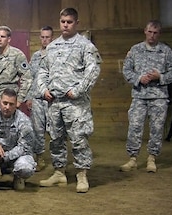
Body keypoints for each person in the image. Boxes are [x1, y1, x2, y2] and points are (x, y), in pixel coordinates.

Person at [38, 8, 102, 193]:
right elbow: (43, 71)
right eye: (63, 21)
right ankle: (59, 173)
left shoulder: (85, 45)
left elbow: (93, 71)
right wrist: (43, 89)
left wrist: (78, 91)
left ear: (76, 23)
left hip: (75, 103)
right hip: (54, 102)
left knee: (78, 139)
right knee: (56, 139)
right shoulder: (52, 46)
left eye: (69, 22)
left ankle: (81, 174)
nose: (65, 25)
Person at [120, 20, 172, 173]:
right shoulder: (135, 50)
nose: (152, 35)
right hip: (139, 96)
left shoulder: (166, 51)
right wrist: (139, 78)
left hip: (159, 97)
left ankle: (152, 158)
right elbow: (126, 71)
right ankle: (132, 159)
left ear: (159, 34)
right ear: (145, 31)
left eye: (155, 33)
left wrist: (160, 77)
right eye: (150, 32)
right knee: (134, 127)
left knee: (157, 128)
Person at [26, 26, 54, 172]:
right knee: (37, 129)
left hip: (52, 99)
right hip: (37, 98)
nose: (44, 40)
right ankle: (40, 157)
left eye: (47, 37)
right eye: (42, 37)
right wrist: (29, 97)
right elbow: (30, 78)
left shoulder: (57, 54)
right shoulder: (36, 56)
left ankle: (58, 159)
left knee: (55, 129)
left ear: (52, 38)